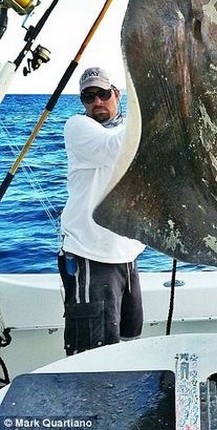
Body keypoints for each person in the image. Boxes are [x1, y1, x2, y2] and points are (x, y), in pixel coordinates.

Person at [58, 66, 145, 355]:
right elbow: (114, 148)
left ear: (116, 94)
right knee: (92, 352)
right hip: (91, 256)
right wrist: (153, 108)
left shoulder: (127, 131)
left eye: (103, 94)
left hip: (127, 255)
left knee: (129, 341)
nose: (97, 102)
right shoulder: (77, 127)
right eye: (88, 96)